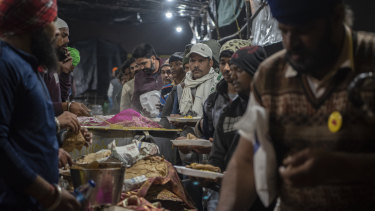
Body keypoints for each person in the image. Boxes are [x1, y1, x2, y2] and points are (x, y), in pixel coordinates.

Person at [217, 0, 375, 210]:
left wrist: (343, 166)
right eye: (284, 31)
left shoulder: (369, 58)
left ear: (336, 18)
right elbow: (246, 163)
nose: (291, 44)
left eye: (304, 30)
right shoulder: (271, 74)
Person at [0, 0, 80, 210]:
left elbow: (24, 127)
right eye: (51, 23)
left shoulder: (29, 66)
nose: (54, 33)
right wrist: (49, 194)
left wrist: (49, 150)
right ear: (34, 25)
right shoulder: (5, 64)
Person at [207, 46, 270, 211]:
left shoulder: (273, 109)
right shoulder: (229, 112)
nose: (231, 74)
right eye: (230, 69)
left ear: (256, 71)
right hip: (232, 195)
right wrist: (210, 176)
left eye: (238, 70)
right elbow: (217, 156)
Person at [195, 39, 251, 140]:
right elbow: (209, 136)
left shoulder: (255, 98)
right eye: (222, 62)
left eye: (231, 62)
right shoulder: (213, 100)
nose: (226, 68)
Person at [131, 43, 163, 113]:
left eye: (143, 63)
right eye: (138, 65)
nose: (141, 67)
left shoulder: (168, 69)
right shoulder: (139, 77)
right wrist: (141, 111)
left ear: (153, 58)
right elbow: (135, 102)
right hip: (150, 118)